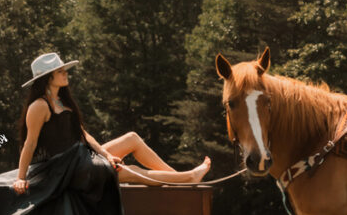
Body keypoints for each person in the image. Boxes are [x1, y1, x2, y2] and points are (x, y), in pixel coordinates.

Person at [12, 52, 210, 194]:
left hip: (79, 158)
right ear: (48, 78)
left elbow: (83, 135)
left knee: (131, 138)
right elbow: (29, 144)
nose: (66, 73)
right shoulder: (39, 106)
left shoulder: (61, 101)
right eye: (61, 71)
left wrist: (107, 155)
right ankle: (189, 178)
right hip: (66, 171)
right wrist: (21, 178)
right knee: (132, 172)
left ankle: (178, 179)